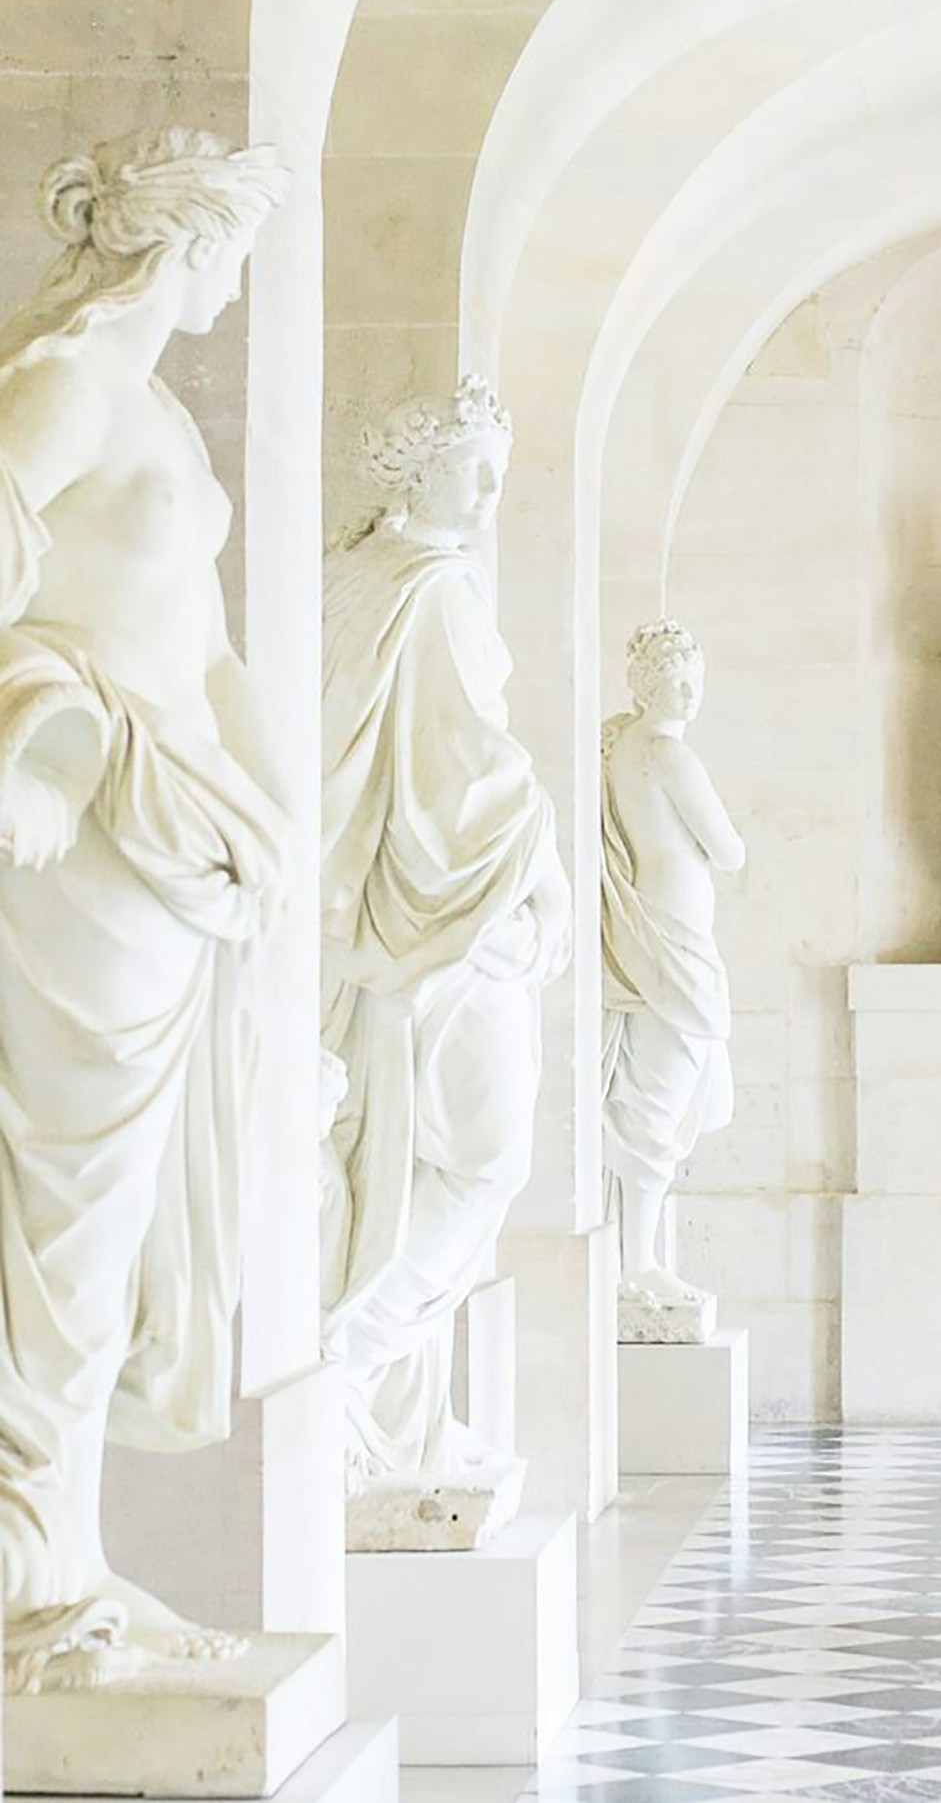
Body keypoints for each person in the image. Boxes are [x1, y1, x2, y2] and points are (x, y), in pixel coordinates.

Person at [0, 127, 290, 1694]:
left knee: (107, 1244)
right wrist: (21, 766)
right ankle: (25, 1579)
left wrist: (275, 817)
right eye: (232, 248)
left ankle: (67, 1556)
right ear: (180, 241)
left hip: (182, 845)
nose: (239, 281)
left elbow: (215, 649)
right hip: (87, 839)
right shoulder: (64, 387)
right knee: (60, 1225)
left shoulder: (162, 413)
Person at [320, 377, 569, 1513]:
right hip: (451, 922)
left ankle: (394, 1415)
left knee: (405, 1157)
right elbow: (467, 774)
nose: (488, 495)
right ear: (418, 470)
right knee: (481, 1158)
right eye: (476, 471)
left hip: (376, 925)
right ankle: (348, 1364)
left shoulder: (349, 577)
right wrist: (544, 857)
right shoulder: (433, 588)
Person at [601, 620, 743, 1335]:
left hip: (658, 926)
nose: (687, 695)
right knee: (659, 1095)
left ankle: (638, 1256)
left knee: (656, 1089)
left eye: (694, 681)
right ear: (644, 686)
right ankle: (636, 1263)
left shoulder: (623, 744)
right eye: (673, 682)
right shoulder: (665, 750)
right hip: (673, 934)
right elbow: (728, 849)